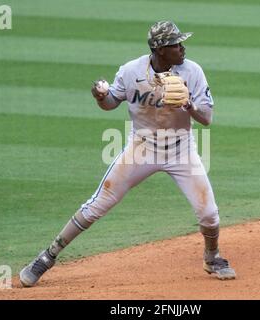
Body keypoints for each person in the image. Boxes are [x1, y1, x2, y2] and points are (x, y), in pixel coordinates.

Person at [19, 20, 236, 287]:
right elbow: (111, 102)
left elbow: (207, 118)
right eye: (175, 44)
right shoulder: (131, 71)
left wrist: (189, 104)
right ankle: (46, 257)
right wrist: (100, 96)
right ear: (159, 49)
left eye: (181, 43)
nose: (182, 48)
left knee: (209, 214)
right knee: (97, 204)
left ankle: (212, 256)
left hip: (181, 149)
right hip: (141, 148)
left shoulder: (192, 71)